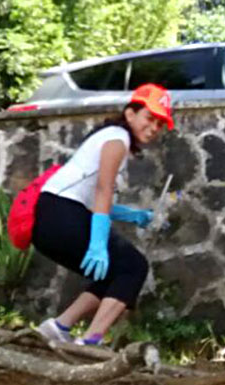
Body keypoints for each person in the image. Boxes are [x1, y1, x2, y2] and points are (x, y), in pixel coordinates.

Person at [33, 84, 172, 346]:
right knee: (134, 267)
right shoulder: (118, 138)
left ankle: (58, 327)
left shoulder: (111, 137)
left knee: (113, 272)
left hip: (52, 216)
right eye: (150, 118)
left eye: (160, 123)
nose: (154, 128)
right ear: (130, 114)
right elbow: (103, 189)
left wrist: (133, 215)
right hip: (61, 213)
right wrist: (98, 244)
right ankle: (90, 341)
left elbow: (93, 198)